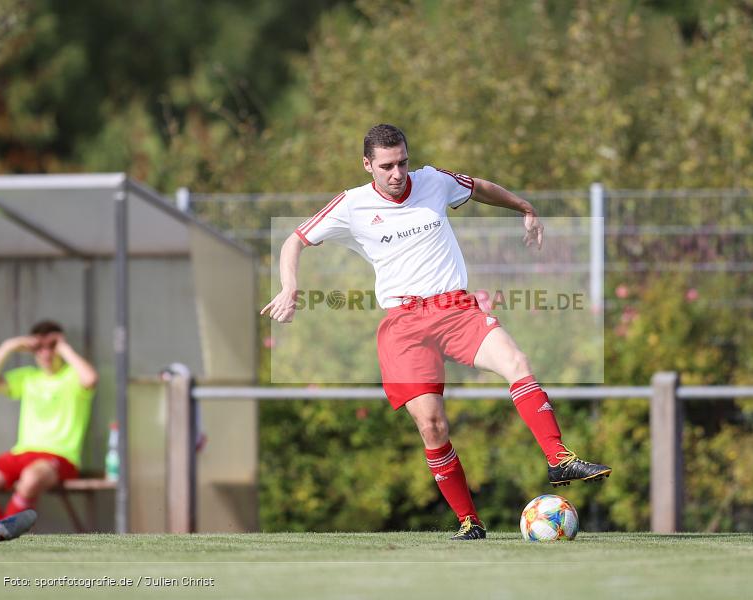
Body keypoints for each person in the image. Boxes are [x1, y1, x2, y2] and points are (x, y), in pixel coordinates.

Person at [261, 124, 611, 540]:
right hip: (404, 326)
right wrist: (289, 287)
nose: (397, 173)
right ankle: (470, 521)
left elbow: (478, 186)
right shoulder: (351, 204)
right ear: (367, 165)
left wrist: (524, 207)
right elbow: (293, 241)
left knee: (516, 362)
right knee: (432, 426)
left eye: (403, 162)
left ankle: (559, 459)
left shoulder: (433, 181)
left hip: (454, 309)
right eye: (387, 166)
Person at [0, 321, 98, 529]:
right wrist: (8, 346)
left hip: (59, 457)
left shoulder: (72, 376)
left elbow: (91, 379)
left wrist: (64, 348)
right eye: (39, 348)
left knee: (31, 479)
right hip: (22, 453)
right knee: (26, 475)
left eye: (52, 346)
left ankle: (6, 536)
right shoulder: (28, 377)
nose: (46, 354)